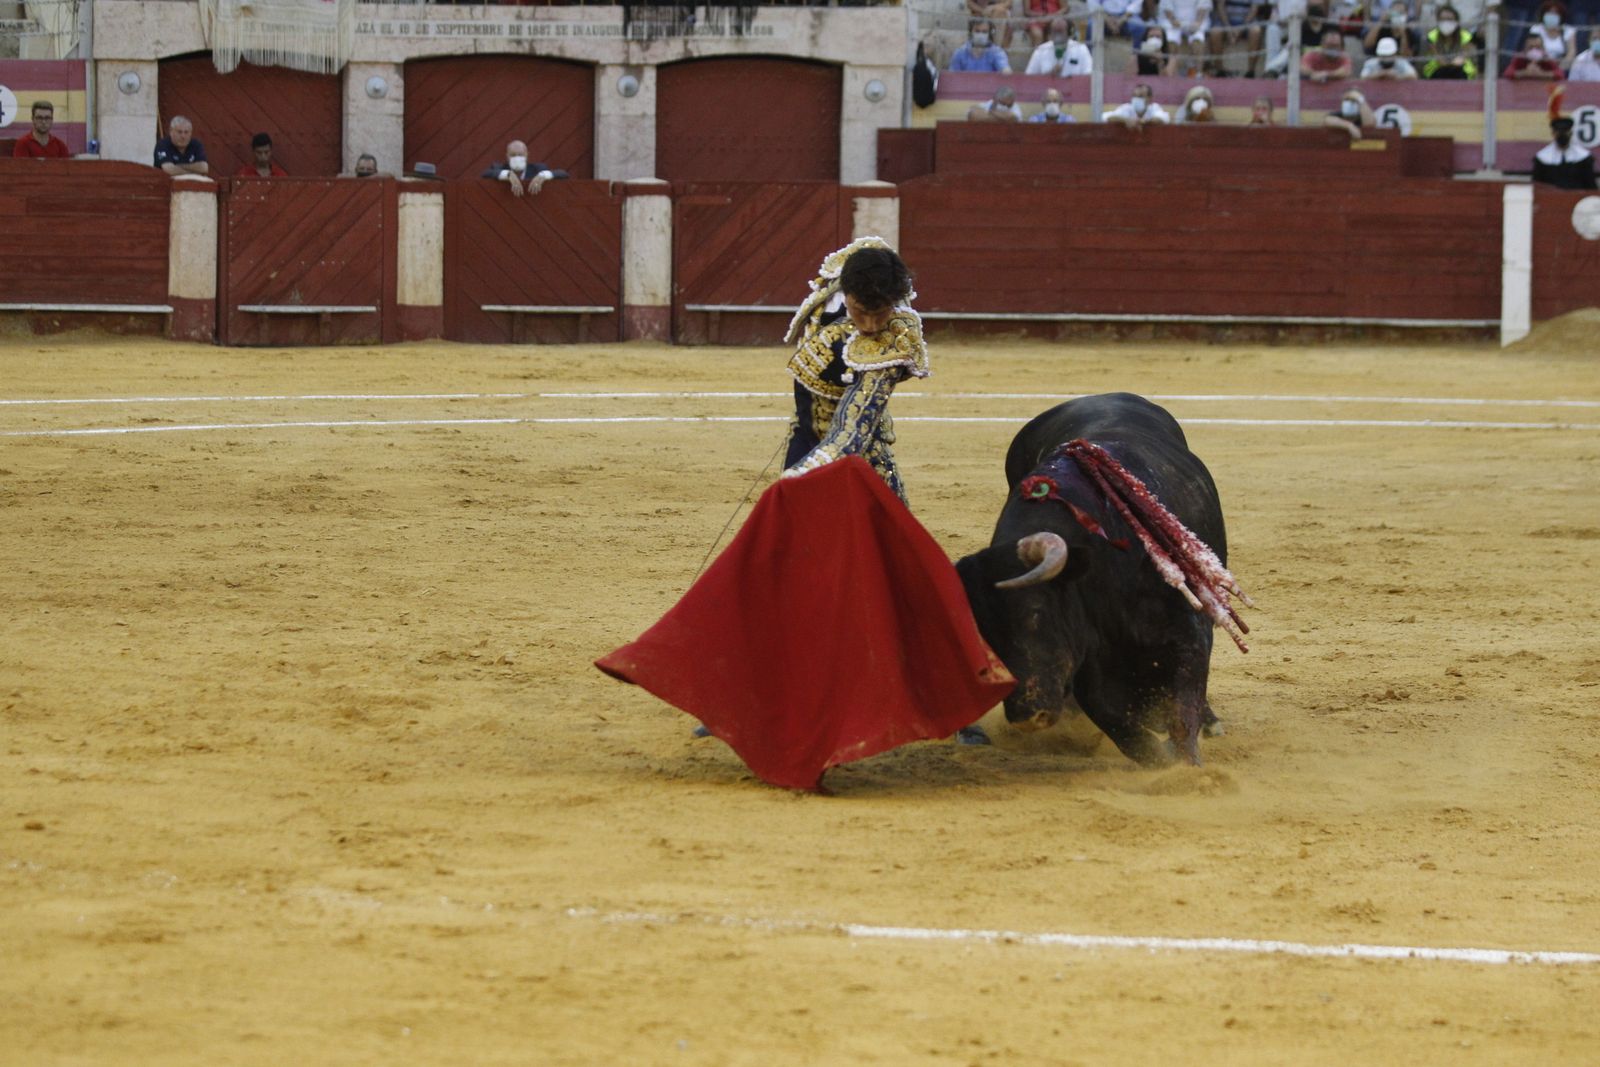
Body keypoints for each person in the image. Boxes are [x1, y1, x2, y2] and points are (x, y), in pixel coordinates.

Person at [780, 237, 927, 504]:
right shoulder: (838, 282)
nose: (870, 326)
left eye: (881, 314)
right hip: (806, 427)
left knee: (884, 532)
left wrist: (803, 471)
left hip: (862, 447)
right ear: (846, 293)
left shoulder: (894, 338)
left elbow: (854, 426)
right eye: (860, 312)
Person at [481, 140, 569, 198]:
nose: (517, 157)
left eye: (520, 155)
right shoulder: (499, 168)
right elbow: (485, 173)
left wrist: (543, 175)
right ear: (507, 156)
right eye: (513, 155)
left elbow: (563, 174)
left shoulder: (538, 169)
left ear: (527, 155)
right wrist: (508, 175)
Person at [1532, 113, 1598, 188]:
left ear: (1571, 133)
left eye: (1565, 131)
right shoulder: (1542, 158)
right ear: (1553, 133)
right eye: (1559, 131)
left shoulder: (1584, 158)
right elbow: (1538, 187)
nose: (1562, 134)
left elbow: (1590, 186)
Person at [1422, 5, 1480, 78]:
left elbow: (1461, 59)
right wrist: (1450, 64)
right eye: (1442, 19)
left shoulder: (1466, 36)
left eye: (1449, 19)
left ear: (1456, 21)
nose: (1446, 22)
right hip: (1438, 69)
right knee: (1442, 73)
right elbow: (1440, 60)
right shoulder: (1432, 36)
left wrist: (1453, 63)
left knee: (1458, 73)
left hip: (1460, 69)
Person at [1159, 0, 1214, 73]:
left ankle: (1198, 73)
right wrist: (1175, 22)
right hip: (1173, 23)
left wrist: (1196, 24)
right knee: (1171, 40)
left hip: (1196, 22)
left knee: (1198, 40)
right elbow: (1167, 8)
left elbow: (1203, 8)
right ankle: (1173, 73)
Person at [1025, 17, 1095, 73]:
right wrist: (1048, 76)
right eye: (1055, 31)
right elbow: (1029, 77)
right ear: (1050, 34)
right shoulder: (1040, 50)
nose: (1057, 36)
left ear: (1068, 33)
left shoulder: (1081, 49)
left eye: (1060, 31)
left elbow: (1088, 74)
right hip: (1046, 89)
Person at [949, 19, 1014, 71]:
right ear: (971, 32)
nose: (980, 34)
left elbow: (1006, 72)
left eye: (984, 32)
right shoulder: (960, 53)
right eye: (977, 31)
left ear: (989, 34)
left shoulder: (997, 52)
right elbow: (953, 77)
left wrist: (1005, 71)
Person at [1530, 1, 1577, 69]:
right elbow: (1533, 50)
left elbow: (1571, 53)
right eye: (1549, 13)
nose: (1552, 15)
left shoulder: (1568, 30)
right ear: (1543, 14)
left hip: (1561, 68)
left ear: (1561, 16)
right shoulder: (1536, 29)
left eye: (1555, 13)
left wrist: (1558, 70)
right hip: (1540, 66)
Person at [1105, 82, 1172, 124]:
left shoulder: (1154, 107)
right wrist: (1126, 120)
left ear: (1149, 98)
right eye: (1134, 96)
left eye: (1140, 96)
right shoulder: (1127, 107)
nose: (1136, 99)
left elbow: (1163, 119)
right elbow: (1108, 117)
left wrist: (1145, 121)